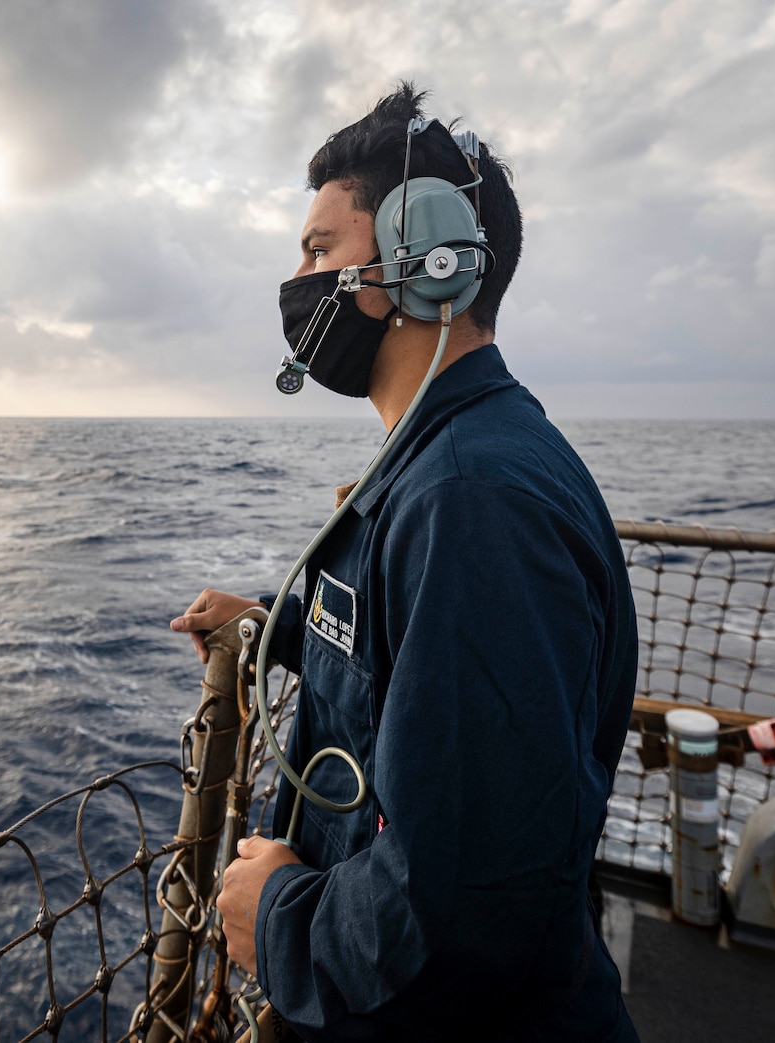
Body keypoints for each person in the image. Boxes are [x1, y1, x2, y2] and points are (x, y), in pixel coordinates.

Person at [169, 82, 640, 1041]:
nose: (296, 279)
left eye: (318, 249)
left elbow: (466, 907)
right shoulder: (441, 462)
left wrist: (285, 922)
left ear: (426, 259)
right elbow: (405, 645)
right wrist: (273, 623)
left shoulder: (475, 503)